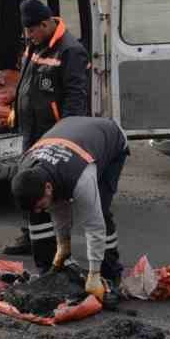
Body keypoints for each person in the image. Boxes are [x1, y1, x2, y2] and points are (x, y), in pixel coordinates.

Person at [2, 0, 90, 266]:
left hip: (53, 134)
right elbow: (27, 80)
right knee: (26, 184)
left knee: (46, 188)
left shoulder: (70, 50)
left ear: (46, 24)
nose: (28, 36)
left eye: (32, 31)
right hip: (31, 130)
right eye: (26, 31)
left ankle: (53, 246)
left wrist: (66, 136)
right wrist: (18, 109)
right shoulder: (35, 43)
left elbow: (76, 96)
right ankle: (32, 237)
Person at [9, 115, 130, 301]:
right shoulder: (26, 169)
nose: (41, 210)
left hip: (109, 138)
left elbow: (94, 225)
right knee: (43, 211)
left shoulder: (81, 178)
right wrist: (63, 245)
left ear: (48, 188)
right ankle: (62, 262)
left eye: (41, 205)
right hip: (68, 131)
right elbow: (58, 206)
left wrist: (94, 274)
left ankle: (110, 272)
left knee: (101, 211)